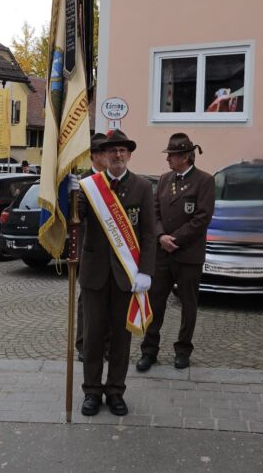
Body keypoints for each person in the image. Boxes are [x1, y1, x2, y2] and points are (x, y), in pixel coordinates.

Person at [72, 130, 155, 417]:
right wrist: (67, 193)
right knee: (93, 336)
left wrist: (145, 271)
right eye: (112, 151)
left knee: (121, 338)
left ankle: (116, 391)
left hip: (127, 276)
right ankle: (92, 391)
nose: (118, 156)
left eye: (123, 151)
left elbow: (148, 233)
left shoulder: (142, 187)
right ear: (104, 156)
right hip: (95, 274)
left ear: (129, 155)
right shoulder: (88, 187)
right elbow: (76, 220)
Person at [137, 133, 215, 372]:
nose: (168, 159)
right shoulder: (163, 180)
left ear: (185, 157)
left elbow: (202, 217)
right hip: (163, 254)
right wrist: (161, 237)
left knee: (188, 305)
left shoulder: (204, 181)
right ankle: (149, 351)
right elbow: (154, 212)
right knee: (155, 303)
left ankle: (183, 351)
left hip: (188, 254)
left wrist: (176, 239)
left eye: (171, 155)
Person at [75, 132, 108, 361]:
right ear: (95, 156)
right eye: (105, 152)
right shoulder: (82, 182)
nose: (111, 156)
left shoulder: (114, 180)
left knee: (110, 302)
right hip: (89, 250)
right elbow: (77, 218)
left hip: (115, 252)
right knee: (86, 302)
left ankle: (106, 345)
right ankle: (83, 345)